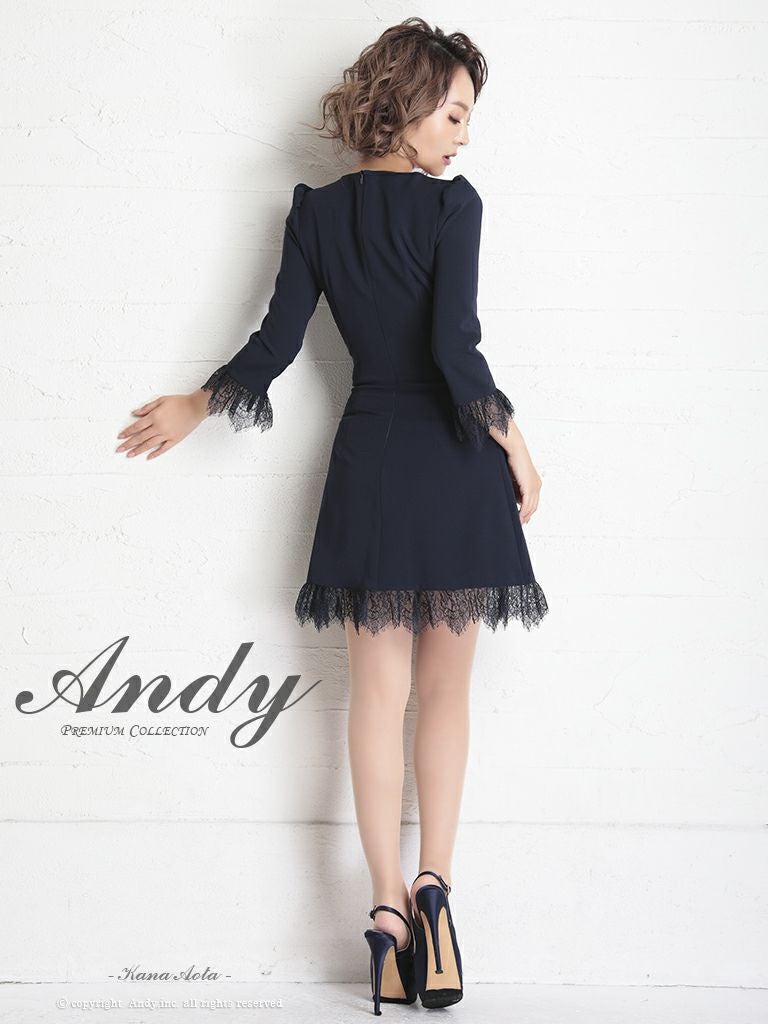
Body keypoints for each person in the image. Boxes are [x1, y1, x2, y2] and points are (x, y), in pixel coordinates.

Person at [114, 17, 548, 1016]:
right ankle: (436, 891)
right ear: (407, 105)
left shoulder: (316, 212)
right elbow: (455, 351)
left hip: (372, 464)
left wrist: (197, 403)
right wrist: (517, 445)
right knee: (445, 695)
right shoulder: (454, 208)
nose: (465, 135)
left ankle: (386, 911)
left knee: (376, 699)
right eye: (454, 113)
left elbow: (274, 343)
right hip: (454, 462)